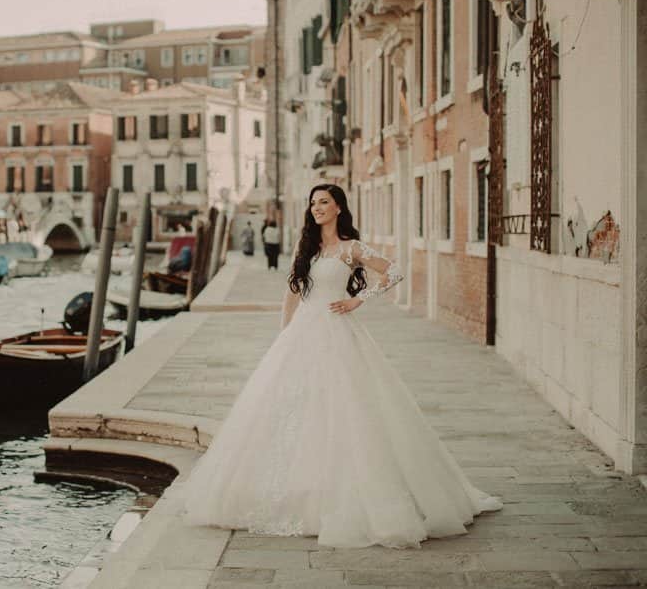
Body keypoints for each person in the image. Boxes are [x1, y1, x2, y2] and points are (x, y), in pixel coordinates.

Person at [182, 184, 502, 549]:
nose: (317, 208)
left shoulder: (351, 248)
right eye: (313, 203)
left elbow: (393, 271)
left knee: (349, 408)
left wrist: (356, 301)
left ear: (338, 208)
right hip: (302, 333)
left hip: (338, 331)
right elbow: (291, 293)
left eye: (323, 202)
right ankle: (301, 488)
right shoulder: (307, 248)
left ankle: (352, 493)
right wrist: (283, 336)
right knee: (294, 411)